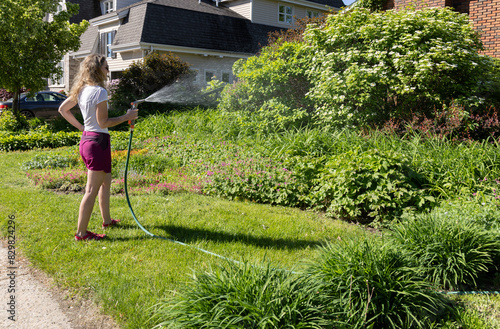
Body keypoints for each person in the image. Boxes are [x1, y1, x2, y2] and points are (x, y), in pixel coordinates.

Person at [58, 54, 138, 241]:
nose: (108, 70)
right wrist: (127, 117)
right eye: (106, 67)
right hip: (98, 143)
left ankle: (107, 220)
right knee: (91, 190)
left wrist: (81, 128)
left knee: (105, 182)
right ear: (97, 69)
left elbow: (63, 109)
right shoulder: (100, 92)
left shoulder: (82, 90)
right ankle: (81, 233)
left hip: (88, 140)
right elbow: (103, 122)